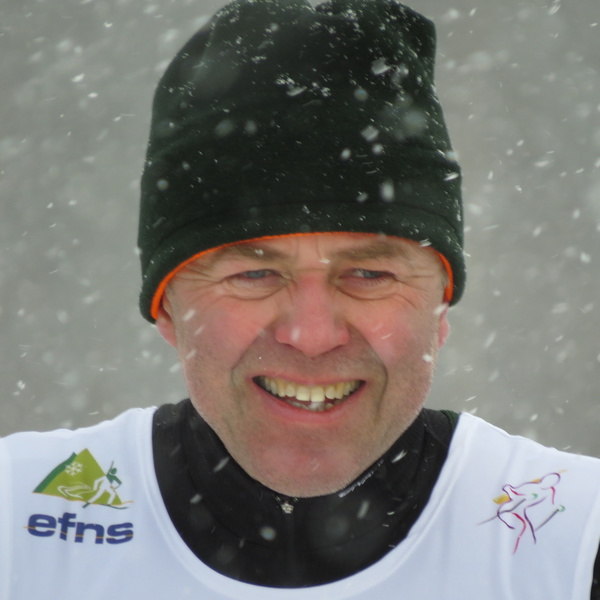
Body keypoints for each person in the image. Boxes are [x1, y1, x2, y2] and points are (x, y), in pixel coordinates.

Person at [1, 0, 599, 597]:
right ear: (168, 309)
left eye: (368, 274)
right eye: (254, 275)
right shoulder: (19, 519)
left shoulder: (575, 535)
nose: (312, 335)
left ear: (439, 304)